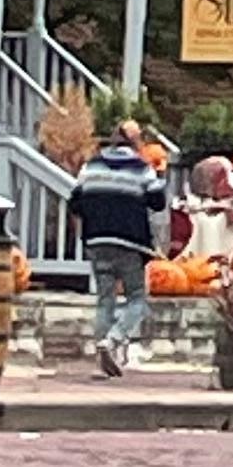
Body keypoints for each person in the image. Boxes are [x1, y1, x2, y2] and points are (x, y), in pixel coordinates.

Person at [74, 125, 161, 376]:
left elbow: (75, 202)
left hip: (97, 241)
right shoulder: (142, 168)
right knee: (137, 298)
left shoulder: (91, 166)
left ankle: (103, 361)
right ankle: (113, 339)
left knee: (105, 300)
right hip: (130, 243)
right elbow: (158, 201)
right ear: (135, 142)